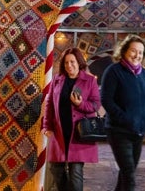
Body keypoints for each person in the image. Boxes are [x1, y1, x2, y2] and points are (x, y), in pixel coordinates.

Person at [100, 34, 145, 191]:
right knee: (129, 175)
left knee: (126, 174)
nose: (137, 55)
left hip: (138, 132)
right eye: (133, 51)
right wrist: (126, 119)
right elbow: (106, 100)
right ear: (124, 50)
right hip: (119, 131)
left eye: (140, 52)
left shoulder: (143, 73)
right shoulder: (113, 71)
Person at [43, 46, 101, 191]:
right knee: (56, 169)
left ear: (79, 62)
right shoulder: (57, 80)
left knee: (75, 173)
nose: (69, 65)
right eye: (66, 63)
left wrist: (80, 104)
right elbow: (49, 105)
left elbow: (95, 104)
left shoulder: (89, 80)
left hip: (78, 133)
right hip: (59, 132)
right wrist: (47, 126)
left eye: (72, 62)